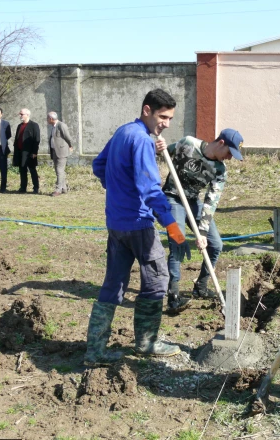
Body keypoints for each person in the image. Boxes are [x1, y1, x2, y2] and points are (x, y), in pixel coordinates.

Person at [86, 88, 190, 366]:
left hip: (116, 224)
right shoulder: (142, 141)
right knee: (157, 281)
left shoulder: (123, 132)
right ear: (147, 110)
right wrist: (175, 231)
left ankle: (95, 351)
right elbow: (151, 191)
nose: (166, 123)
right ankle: (147, 342)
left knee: (113, 284)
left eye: (170, 118)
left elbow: (99, 165)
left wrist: (117, 187)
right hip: (139, 225)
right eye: (163, 117)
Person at [162, 128, 244, 311]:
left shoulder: (220, 170)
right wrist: (160, 149)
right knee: (177, 240)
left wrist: (203, 232)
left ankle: (201, 286)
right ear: (221, 142)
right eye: (230, 153)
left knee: (216, 244)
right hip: (172, 198)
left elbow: (211, 201)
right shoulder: (188, 143)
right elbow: (166, 151)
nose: (229, 158)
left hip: (193, 202)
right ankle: (173, 296)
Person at [12, 108, 40, 194]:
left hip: (30, 152)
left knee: (32, 170)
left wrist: (34, 152)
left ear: (27, 115)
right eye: (20, 114)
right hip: (20, 152)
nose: (20, 116)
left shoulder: (34, 125)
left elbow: (37, 139)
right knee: (22, 170)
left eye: (22, 114)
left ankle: (36, 188)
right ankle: (23, 187)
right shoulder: (19, 126)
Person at [46, 111, 73, 197]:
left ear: (51, 119)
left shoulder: (61, 125)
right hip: (55, 151)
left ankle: (58, 189)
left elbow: (68, 137)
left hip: (62, 151)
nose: (47, 120)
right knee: (59, 171)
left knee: (59, 170)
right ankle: (64, 188)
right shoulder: (53, 127)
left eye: (47, 118)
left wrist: (70, 145)